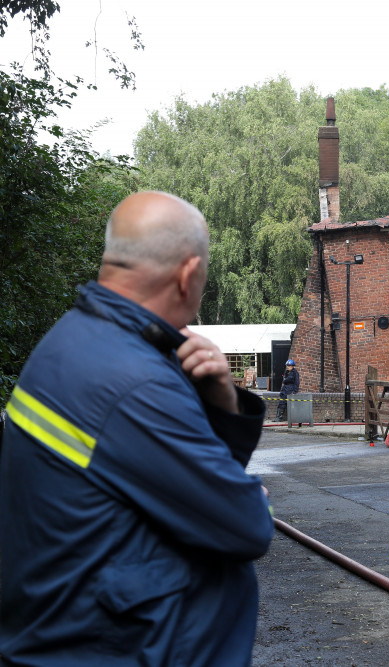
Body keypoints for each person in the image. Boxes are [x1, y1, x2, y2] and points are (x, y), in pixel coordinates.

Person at [0, 191, 274, 666]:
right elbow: (246, 527)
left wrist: (223, 400)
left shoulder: (74, 340)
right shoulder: (134, 382)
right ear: (189, 275)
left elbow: (165, 485)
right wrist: (246, 499)